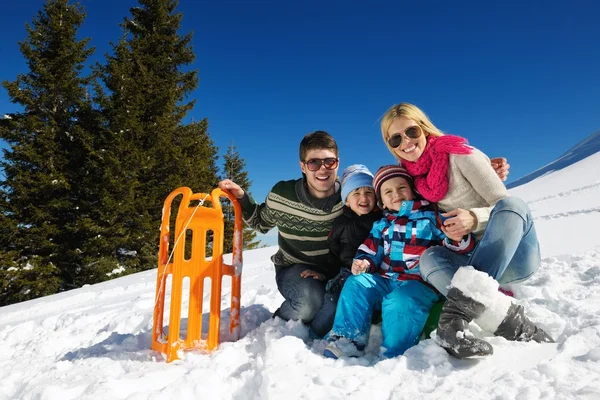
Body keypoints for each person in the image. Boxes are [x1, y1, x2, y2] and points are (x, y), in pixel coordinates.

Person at [379, 103, 554, 359]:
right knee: (429, 259)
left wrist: (474, 218)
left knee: (513, 204)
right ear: (391, 146)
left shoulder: (461, 154)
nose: (406, 141)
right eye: (396, 138)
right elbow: (391, 203)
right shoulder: (413, 179)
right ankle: (508, 323)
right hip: (471, 257)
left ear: (425, 130)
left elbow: (503, 206)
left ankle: (455, 317)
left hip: (512, 256)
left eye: (412, 132)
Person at [323, 165, 475, 359]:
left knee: (400, 301)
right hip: (385, 279)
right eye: (388, 191)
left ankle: (393, 351)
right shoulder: (382, 225)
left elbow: (456, 247)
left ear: (412, 191)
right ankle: (348, 340)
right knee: (356, 284)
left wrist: (457, 237)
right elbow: (371, 248)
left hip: (418, 283)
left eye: (401, 188)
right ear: (383, 203)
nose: (396, 194)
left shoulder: (431, 218)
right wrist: (364, 262)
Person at [218, 131, 343, 335]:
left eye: (329, 162)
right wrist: (241, 198)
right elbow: (260, 222)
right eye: (314, 163)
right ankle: (274, 329)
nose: (322, 169)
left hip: (334, 271)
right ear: (302, 166)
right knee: (309, 303)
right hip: (294, 267)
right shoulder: (283, 195)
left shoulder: (349, 197)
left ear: (337, 163)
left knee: (338, 307)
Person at [308, 164, 382, 338]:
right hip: (347, 273)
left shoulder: (383, 220)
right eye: (356, 193)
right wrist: (323, 273)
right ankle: (315, 333)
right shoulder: (340, 224)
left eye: (368, 192)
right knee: (334, 302)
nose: (363, 198)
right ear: (346, 200)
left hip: (376, 274)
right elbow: (333, 254)